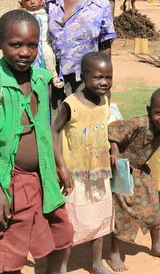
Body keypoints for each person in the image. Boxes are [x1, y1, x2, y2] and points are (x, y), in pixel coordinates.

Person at [0, 9, 74, 273]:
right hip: (12, 181)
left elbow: (43, 128)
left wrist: (59, 164)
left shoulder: (40, 79)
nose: (25, 52)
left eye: (32, 45)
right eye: (15, 45)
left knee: (60, 235)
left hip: (45, 176)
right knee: (11, 246)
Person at [52, 52, 114, 274]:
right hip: (75, 176)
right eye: (98, 77)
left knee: (100, 220)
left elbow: (109, 129)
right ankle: (62, 267)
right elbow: (54, 130)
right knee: (71, 224)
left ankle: (96, 263)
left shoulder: (105, 101)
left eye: (108, 77)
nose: (104, 82)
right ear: (83, 76)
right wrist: (60, 165)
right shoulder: (71, 104)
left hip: (99, 173)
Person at [106, 88, 160, 271]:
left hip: (141, 171)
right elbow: (113, 129)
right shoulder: (138, 124)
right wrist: (115, 151)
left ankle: (156, 246)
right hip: (122, 170)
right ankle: (114, 253)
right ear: (149, 110)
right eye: (159, 113)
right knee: (122, 211)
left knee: (153, 206)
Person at [45, 0, 116, 115]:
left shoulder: (101, 4)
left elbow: (105, 45)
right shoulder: (51, 2)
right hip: (55, 78)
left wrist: (104, 78)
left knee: (84, 128)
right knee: (57, 128)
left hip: (86, 79)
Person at [18, 0, 63, 88]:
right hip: (30, 46)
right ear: (21, 3)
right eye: (27, 0)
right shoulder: (22, 17)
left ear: (41, 0)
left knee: (49, 57)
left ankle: (54, 77)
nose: (32, 2)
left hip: (44, 43)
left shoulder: (46, 15)